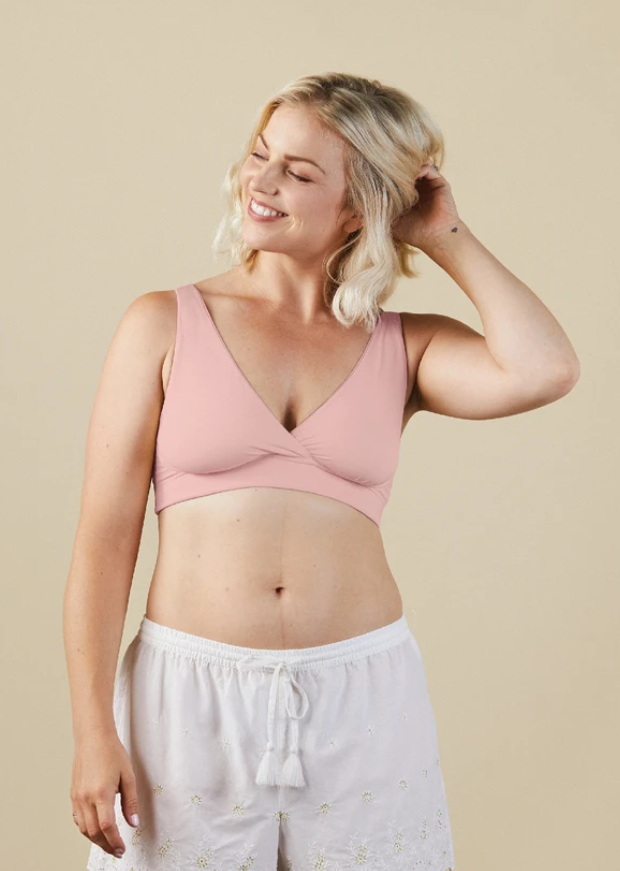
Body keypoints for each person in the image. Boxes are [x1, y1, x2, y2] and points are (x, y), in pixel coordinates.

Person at [64, 72, 580, 871]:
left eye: (299, 173)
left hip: (361, 698)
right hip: (189, 698)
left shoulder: (404, 345)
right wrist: (95, 729)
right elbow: (104, 544)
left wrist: (445, 234)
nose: (262, 181)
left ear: (358, 206)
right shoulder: (162, 324)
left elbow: (545, 368)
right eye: (259, 154)